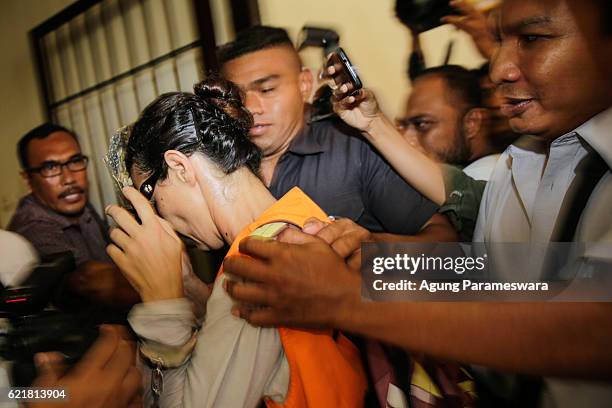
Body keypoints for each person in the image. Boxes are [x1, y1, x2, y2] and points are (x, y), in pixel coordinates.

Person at [224, 0, 612, 406]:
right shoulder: (518, 165)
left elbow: (593, 328)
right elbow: (487, 274)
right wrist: (370, 254)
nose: (499, 69)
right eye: (498, 41)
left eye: (533, 39)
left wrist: (346, 299)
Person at [104, 77, 366, 407]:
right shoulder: (297, 218)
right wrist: (186, 284)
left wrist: (162, 306)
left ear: (179, 167)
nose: (159, 219)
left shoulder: (254, 263)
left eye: (150, 196)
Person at [217, 25, 456, 240]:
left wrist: (364, 256)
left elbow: (445, 243)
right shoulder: (220, 168)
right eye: (237, 97)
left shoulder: (354, 149)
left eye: (267, 89)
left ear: (305, 84)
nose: (250, 107)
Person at [8, 124, 138, 309]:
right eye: (50, 167)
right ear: (28, 180)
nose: (69, 179)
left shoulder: (75, 202)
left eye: (75, 161)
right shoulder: (31, 225)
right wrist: (161, 279)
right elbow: (87, 280)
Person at [396, 65, 505, 180]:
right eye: (402, 126)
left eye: (422, 124)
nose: (407, 139)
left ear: (471, 123)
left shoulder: (491, 183)